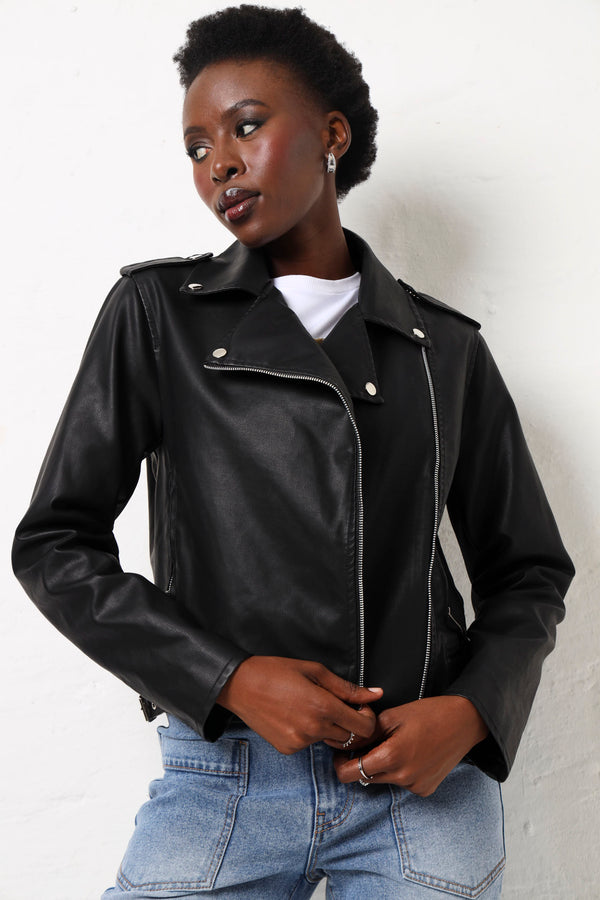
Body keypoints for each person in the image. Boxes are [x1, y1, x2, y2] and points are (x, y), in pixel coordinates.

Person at [12, 6, 574, 898]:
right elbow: (54, 544)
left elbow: (530, 572)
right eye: (197, 148)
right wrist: (227, 678)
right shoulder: (157, 316)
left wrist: (471, 714)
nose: (219, 164)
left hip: (419, 787)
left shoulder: (445, 348)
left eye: (246, 126)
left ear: (332, 136)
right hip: (223, 780)